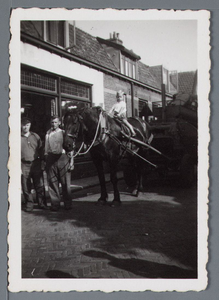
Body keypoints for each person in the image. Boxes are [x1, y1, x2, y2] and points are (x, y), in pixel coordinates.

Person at [44, 115, 73, 211]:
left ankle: (67, 203)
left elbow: (70, 149)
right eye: (52, 122)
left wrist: (72, 162)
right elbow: (46, 149)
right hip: (51, 158)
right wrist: (46, 160)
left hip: (62, 158)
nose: (54, 124)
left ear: (59, 123)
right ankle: (55, 204)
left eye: (56, 122)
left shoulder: (64, 133)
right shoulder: (48, 133)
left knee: (65, 183)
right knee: (52, 183)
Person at [21, 117, 46, 212]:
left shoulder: (35, 136)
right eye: (23, 125)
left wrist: (43, 162)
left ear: (30, 125)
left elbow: (41, 150)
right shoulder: (16, 137)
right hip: (23, 164)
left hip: (36, 163)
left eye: (27, 125)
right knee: (26, 186)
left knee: (39, 185)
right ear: (20, 125)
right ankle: (29, 205)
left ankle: (42, 203)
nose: (25, 127)